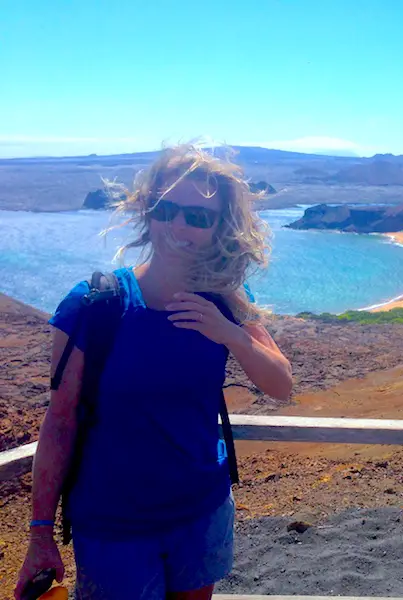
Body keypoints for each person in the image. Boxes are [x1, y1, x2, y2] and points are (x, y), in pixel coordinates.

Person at [15, 143, 293, 600]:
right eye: (167, 209)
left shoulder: (225, 300)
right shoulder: (95, 306)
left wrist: (231, 334)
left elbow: (280, 385)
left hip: (201, 513)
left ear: (218, 227)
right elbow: (60, 421)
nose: (180, 225)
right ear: (147, 209)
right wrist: (40, 532)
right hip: (112, 525)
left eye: (199, 217)